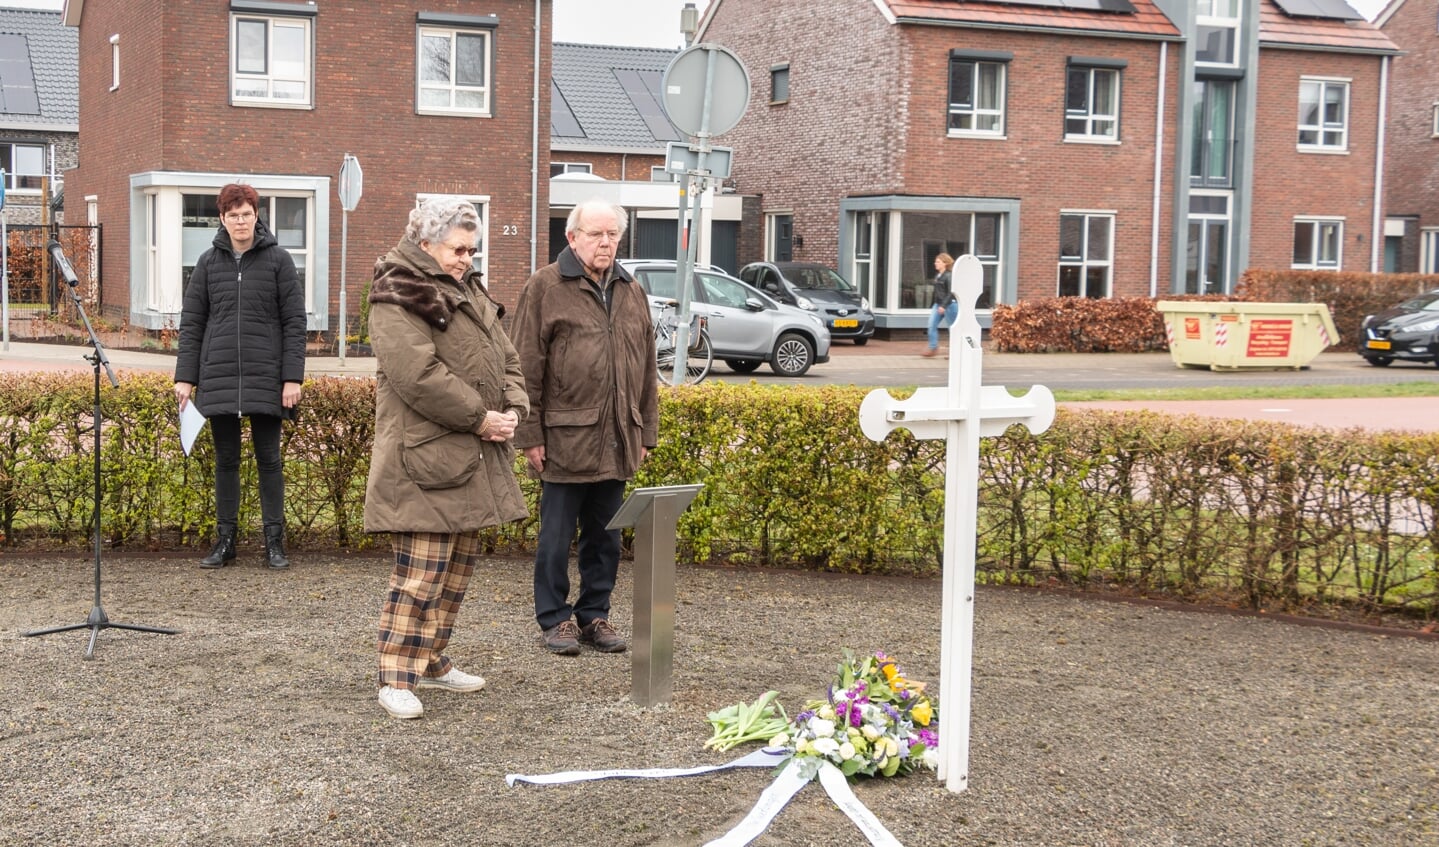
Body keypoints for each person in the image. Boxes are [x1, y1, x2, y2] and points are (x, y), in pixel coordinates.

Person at [363, 198, 529, 720]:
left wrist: (514, 407)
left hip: (468, 456)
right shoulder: (397, 291)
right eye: (459, 249)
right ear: (427, 241)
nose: (466, 258)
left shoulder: (464, 286)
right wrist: (482, 417)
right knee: (420, 575)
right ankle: (395, 676)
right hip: (423, 460)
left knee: (456, 571)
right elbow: (417, 376)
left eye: (471, 249)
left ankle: (431, 660)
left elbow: (506, 355)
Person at [511, 198, 659, 656]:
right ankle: (555, 620)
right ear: (572, 237)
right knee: (555, 540)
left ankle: (595, 615)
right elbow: (522, 366)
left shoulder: (632, 290)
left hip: (619, 437)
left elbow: (647, 369)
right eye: (597, 234)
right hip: (563, 440)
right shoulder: (544, 287)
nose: (606, 242)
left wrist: (646, 433)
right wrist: (530, 435)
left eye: (613, 234)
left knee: (607, 539)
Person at [175, 183, 306, 570]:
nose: (240, 221)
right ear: (222, 219)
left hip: (267, 376)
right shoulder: (207, 263)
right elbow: (193, 321)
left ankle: (274, 543)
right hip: (218, 375)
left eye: (246, 213)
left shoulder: (279, 261)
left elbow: (294, 322)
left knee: (269, 460)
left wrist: (292, 378)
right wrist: (185, 377)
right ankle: (225, 541)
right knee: (226, 461)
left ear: (256, 215)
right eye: (233, 215)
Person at [923, 252, 958, 357]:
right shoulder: (938, 276)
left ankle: (955, 352)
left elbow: (951, 293)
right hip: (938, 305)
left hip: (950, 305)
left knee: (953, 329)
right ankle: (933, 347)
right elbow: (937, 292)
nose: (935, 263)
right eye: (935, 261)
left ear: (945, 263)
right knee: (931, 325)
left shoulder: (949, 276)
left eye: (938, 262)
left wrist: (944, 306)